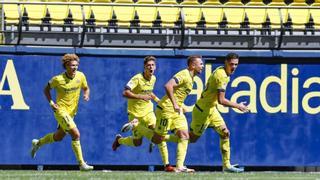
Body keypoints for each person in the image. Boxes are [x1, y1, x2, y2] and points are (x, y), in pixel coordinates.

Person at [30, 54, 93, 171]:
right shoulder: (57, 79)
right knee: (76, 134)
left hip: (72, 113)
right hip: (60, 111)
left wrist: (86, 94)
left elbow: (86, 87)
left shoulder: (81, 76)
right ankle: (82, 164)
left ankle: (37, 143)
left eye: (76, 65)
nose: (74, 68)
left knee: (58, 137)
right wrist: (51, 102)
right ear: (66, 66)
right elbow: (46, 89)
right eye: (72, 65)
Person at [112, 56, 174, 172]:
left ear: (155, 67)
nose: (151, 67)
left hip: (148, 112)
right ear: (144, 67)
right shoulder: (137, 78)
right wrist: (140, 96)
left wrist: (159, 102)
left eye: (153, 65)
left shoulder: (153, 78)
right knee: (137, 143)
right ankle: (119, 140)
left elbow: (149, 94)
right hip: (134, 114)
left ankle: (167, 165)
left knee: (159, 134)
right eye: (148, 65)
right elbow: (125, 92)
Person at [189, 53, 249, 173]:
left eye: (236, 64)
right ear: (226, 62)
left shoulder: (224, 72)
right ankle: (161, 138)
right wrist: (238, 106)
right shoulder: (221, 76)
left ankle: (226, 165)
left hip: (211, 109)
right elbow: (221, 100)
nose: (234, 67)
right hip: (202, 111)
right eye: (231, 64)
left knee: (225, 133)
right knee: (190, 139)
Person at [151, 55, 204, 173]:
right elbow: (168, 85)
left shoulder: (191, 78)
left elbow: (179, 94)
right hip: (166, 109)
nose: (202, 66)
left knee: (185, 135)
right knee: (157, 139)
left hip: (176, 111)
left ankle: (180, 166)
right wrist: (175, 104)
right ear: (192, 65)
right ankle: (139, 127)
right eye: (200, 64)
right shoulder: (184, 74)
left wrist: (180, 106)